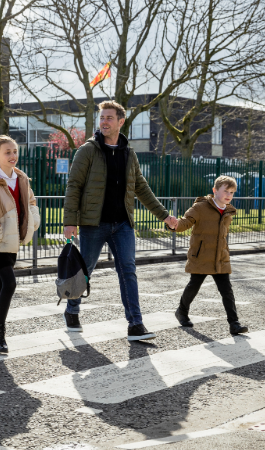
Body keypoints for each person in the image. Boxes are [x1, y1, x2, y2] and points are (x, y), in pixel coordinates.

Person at [63, 100, 179, 341]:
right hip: (94, 224)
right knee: (86, 270)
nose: (104, 122)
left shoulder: (129, 153)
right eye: (102, 118)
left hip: (123, 224)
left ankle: (135, 324)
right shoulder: (88, 150)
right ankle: (72, 309)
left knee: (128, 271)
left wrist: (165, 215)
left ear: (120, 122)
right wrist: (69, 221)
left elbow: (141, 188)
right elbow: (74, 186)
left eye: (109, 118)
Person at [0, 135, 41, 353]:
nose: (13, 155)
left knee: (0, 285)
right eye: (7, 152)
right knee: (10, 283)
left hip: (15, 238)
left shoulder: (21, 177)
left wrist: (34, 221)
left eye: (15, 151)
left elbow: (31, 202)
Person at [171, 175, 249, 335]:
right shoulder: (200, 207)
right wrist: (175, 224)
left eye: (232, 192)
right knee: (194, 286)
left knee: (227, 290)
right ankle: (181, 311)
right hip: (201, 256)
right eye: (226, 191)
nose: (229, 195)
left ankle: (234, 324)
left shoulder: (228, 211)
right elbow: (185, 223)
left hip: (220, 257)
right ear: (214, 191)